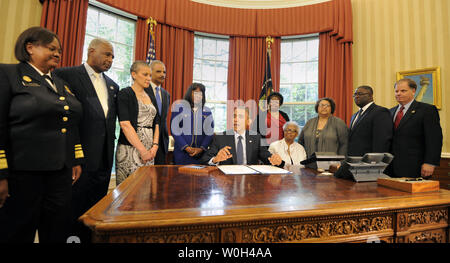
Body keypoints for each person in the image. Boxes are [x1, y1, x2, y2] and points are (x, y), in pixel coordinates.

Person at [0, 27, 83, 242]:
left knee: (56, 230)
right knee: (18, 231)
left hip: (60, 173)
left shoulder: (61, 83)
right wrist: (0, 173)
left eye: (59, 50)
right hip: (23, 173)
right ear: (30, 48)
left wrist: (75, 159)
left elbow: (70, 121)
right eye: (51, 48)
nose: (57, 53)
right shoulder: (9, 74)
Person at [53, 38, 119, 243]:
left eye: (113, 57)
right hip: (78, 158)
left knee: (96, 208)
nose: (110, 60)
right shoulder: (66, 75)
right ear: (91, 51)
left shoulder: (113, 86)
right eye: (107, 54)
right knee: (73, 207)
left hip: (104, 159)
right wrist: (71, 155)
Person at [385, 78, 442, 178]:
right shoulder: (390, 112)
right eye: (396, 91)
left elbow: (434, 139)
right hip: (391, 167)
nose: (398, 94)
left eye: (403, 91)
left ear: (413, 91)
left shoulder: (427, 110)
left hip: (416, 166)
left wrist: (430, 163)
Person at [116, 61, 160, 185]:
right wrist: (142, 151)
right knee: (127, 193)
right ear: (134, 74)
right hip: (130, 150)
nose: (149, 78)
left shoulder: (151, 96)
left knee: (145, 191)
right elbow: (125, 125)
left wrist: (155, 146)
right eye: (145, 74)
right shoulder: (125, 94)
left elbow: (157, 123)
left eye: (150, 75)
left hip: (150, 152)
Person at [201, 106, 283, 166]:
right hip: (227, 181)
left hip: (249, 182)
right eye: (234, 116)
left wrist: (273, 158)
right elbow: (205, 159)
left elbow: (265, 155)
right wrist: (216, 159)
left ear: (248, 121)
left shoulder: (256, 137)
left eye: (240, 117)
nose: (236, 119)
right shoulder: (221, 137)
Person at [170, 83, 214, 165]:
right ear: (189, 93)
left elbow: (210, 133)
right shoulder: (179, 108)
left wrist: (201, 149)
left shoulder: (207, 111)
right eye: (195, 93)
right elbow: (174, 130)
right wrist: (186, 147)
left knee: (200, 177)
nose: (198, 96)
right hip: (182, 153)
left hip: (201, 154)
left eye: (200, 93)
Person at [347, 85, 393, 157]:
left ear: (371, 96)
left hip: (369, 161)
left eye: (360, 94)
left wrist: (375, 161)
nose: (356, 96)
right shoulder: (354, 115)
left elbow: (381, 140)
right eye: (355, 94)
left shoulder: (380, 112)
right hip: (354, 160)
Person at [148, 60, 170, 164]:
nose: (162, 74)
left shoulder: (166, 94)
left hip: (162, 143)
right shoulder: (143, 90)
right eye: (158, 71)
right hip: (147, 141)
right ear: (150, 72)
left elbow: (163, 118)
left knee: (160, 177)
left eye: (164, 72)